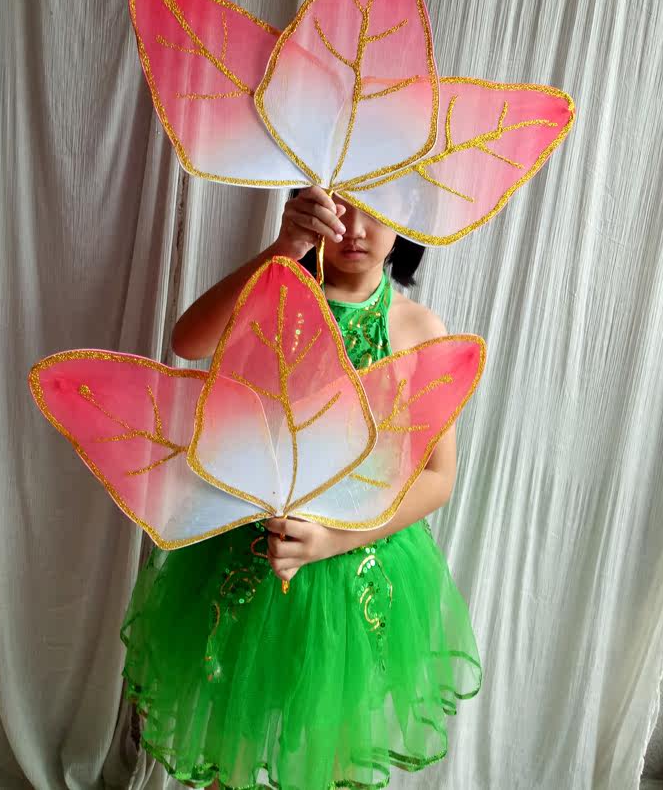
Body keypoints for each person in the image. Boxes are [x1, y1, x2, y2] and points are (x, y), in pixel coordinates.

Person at [120, 186, 482, 790]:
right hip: (250, 554)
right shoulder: (275, 295)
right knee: (233, 738)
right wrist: (283, 250)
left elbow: (438, 478)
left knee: (327, 749)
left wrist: (333, 539)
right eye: (341, 203)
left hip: (353, 570)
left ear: (409, 219)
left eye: (377, 208)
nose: (354, 228)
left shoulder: (419, 329)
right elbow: (188, 342)